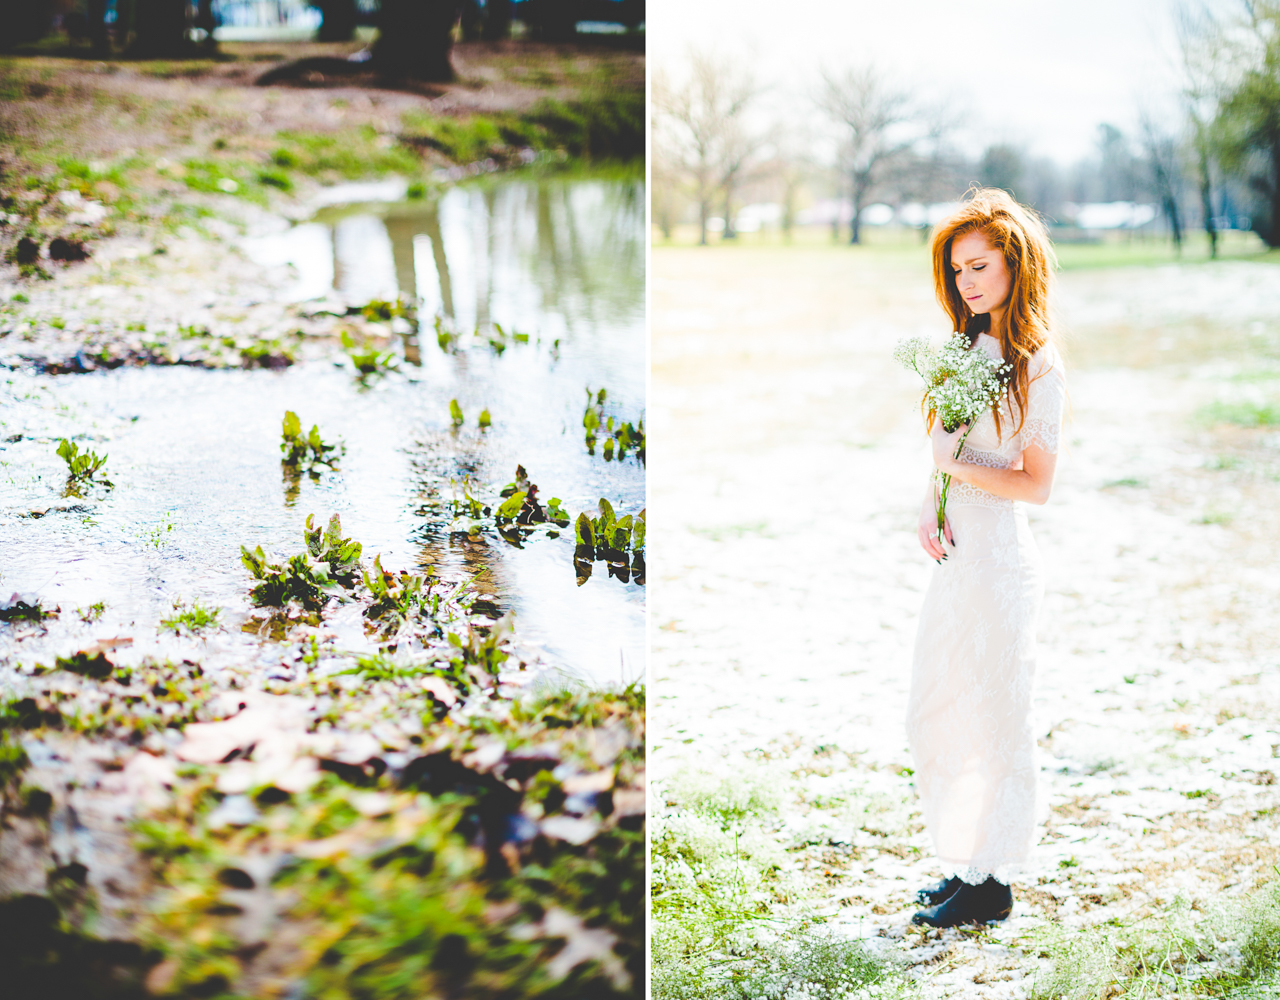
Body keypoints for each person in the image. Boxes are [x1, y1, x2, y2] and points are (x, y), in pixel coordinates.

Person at [905, 188, 1067, 928]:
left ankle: (992, 881)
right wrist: (930, 501)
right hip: (956, 561)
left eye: (979, 265)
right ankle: (964, 860)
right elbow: (947, 455)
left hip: (1000, 562)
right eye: (956, 269)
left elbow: (1036, 485)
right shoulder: (963, 350)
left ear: (1014, 266)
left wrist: (955, 467)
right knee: (939, 709)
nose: (966, 281)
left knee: (995, 714)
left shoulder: (1038, 365)